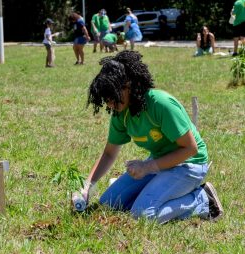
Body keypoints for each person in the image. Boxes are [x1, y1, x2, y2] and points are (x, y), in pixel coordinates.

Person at [74, 50, 223, 224]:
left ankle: (202, 200)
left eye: (113, 96)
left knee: (143, 216)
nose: (110, 103)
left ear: (128, 85)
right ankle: (151, 195)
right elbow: (109, 153)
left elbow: (190, 149)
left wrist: (148, 166)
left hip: (189, 165)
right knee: (108, 204)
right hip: (159, 164)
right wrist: (87, 186)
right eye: (106, 99)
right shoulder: (120, 112)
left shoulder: (160, 104)